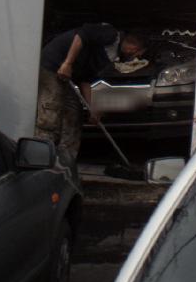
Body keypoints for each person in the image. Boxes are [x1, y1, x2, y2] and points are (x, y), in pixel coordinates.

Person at [36, 22, 148, 181]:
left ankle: (65, 165)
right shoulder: (110, 35)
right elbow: (82, 35)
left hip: (69, 75)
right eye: (136, 52)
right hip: (53, 65)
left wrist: (92, 108)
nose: (135, 56)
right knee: (51, 111)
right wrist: (68, 63)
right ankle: (39, 163)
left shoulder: (111, 56)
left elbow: (85, 79)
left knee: (74, 114)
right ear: (132, 44)